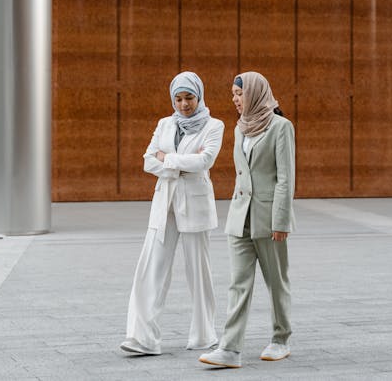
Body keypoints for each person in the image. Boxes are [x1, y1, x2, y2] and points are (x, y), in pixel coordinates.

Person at [120, 71, 225, 356]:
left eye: (189, 98)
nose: (183, 104)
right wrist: (181, 164)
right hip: (163, 206)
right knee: (150, 268)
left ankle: (204, 336)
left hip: (195, 206)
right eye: (178, 99)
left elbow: (206, 160)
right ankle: (142, 338)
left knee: (198, 273)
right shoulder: (164, 124)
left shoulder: (214, 126)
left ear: (199, 96)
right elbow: (147, 161)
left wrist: (168, 159)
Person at [198, 71, 295, 368]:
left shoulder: (281, 127)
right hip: (239, 217)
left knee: (276, 282)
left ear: (255, 93)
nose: (236, 100)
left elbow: (284, 179)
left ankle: (280, 339)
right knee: (238, 283)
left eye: (239, 94)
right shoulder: (240, 129)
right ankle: (230, 349)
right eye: (233, 95)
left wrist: (280, 222)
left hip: (268, 219)